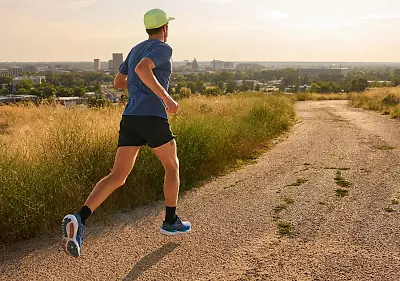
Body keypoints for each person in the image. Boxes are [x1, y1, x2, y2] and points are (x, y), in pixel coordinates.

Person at [61, 8, 191, 258]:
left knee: (117, 176)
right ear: (165, 27)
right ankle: (170, 221)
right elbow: (144, 70)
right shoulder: (163, 48)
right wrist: (167, 98)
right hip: (152, 116)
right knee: (172, 166)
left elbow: (119, 82)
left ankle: (80, 218)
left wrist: (139, 86)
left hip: (130, 118)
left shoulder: (135, 49)